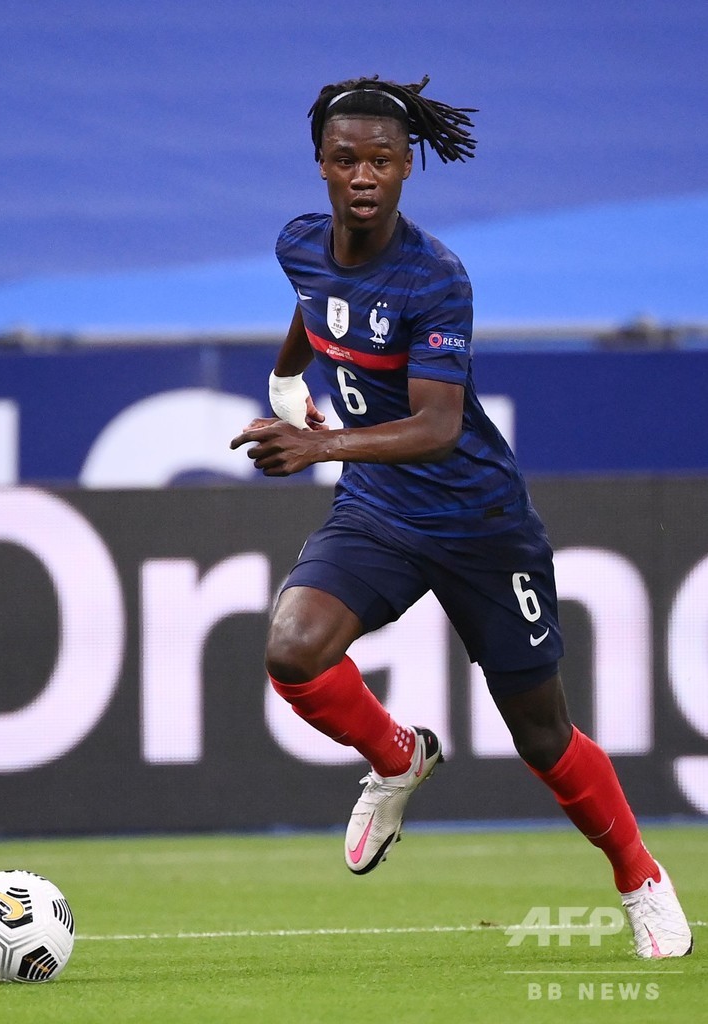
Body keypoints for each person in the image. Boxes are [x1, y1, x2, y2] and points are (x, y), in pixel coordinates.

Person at [230, 75, 692, 959]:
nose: (362, 175)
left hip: (480, 524)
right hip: (379, 509)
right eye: (344, 160)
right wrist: (288, 381)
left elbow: (437, 427)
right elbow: (313, 304)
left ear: (407, 166)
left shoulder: (434, 277)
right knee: (292, 651)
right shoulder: (298, 243)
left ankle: (638, 876)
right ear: (319, 164)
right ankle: (397, 756)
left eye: (380, 160)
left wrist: (318, 446)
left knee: (542, 737)